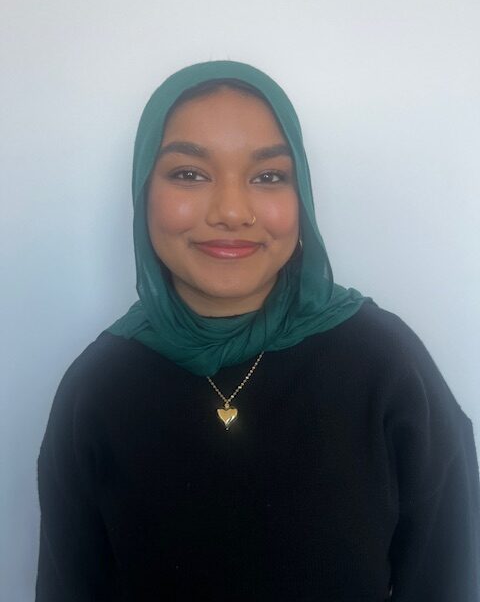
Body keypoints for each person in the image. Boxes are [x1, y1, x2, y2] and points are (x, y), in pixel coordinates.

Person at [35, 60, 480, 601]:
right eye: (189, 174)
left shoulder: (386, 365)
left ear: (301, 198)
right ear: (143, 191)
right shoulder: (97, 388)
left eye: (268, 176)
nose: (230, 210)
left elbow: (450, 576)